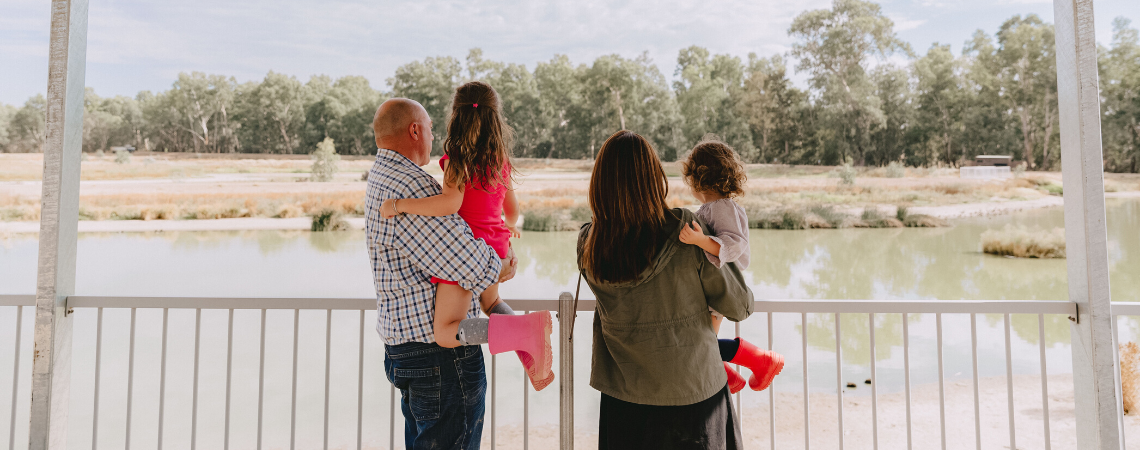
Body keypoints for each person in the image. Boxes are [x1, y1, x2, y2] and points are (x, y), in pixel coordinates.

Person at [365, 98, 549, 450]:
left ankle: (523, 336)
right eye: (430, 128)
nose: (434, 136)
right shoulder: (413, 184)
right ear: (415, 130)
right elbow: (467, 262)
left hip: (406, 350)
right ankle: (522, 332)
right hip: (436, 359)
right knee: (452, 330)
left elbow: (452, 210)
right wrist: (503, 260)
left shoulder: (388, 177)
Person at [577, 131, 754, 450]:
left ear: (598, 185)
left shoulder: (589, 243)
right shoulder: (686, 229)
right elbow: (739, 305)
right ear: (654, 178)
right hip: (694, 397)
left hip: (624, 403)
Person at [678, 139, 784, 394]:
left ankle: (759, 359)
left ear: (697, 178)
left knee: (700, 342)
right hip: (711, 284)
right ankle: (731, 374)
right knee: (703, 340)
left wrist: (701, 240)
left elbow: (735, 245)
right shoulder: (712, 208)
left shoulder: (722, 207)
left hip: (719, 285)